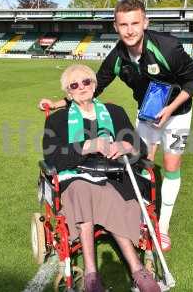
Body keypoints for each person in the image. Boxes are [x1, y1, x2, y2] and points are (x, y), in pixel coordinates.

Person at [39, 0, 193, 252]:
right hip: (147, 114)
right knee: (142, 161)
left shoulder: (168, 47)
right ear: (116, 26)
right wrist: (60, 103)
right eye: (123, 24)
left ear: (145, 22)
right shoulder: (117, 55)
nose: (130, 30)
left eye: (135, 23)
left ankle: (162, 227)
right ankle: (138, 217)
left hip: (178, 114)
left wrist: (170, 109)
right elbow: (95, 84)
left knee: (171, 165)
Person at [43, 64, 160, 292]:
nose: (82, 88)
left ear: (94, 85)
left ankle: (137, 269)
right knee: (82, 190)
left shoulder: (114, 112)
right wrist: (87, 146)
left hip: (112, 176)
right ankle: (91, 273)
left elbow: (140, 148)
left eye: (86, 82)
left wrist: (126, 145)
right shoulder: (57, 120)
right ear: (68, 93)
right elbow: (53, 156)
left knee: (110, 194)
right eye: (74, 85)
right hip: (75, 177)